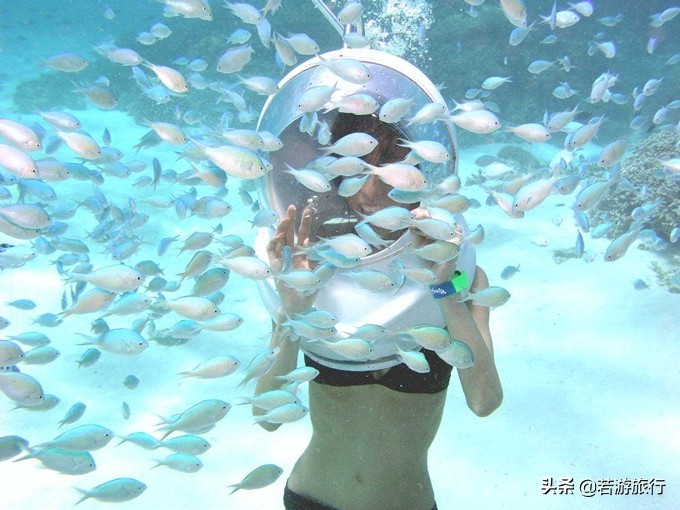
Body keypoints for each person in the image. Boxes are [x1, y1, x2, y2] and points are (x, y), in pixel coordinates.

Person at [254, 111, 503, 510]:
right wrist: (292, 313)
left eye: (388, 171)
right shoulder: (314, 270)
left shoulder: (462, 276)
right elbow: (267, 415)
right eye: (357, 169)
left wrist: (443, 289)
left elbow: (484, 401)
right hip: (310, 498)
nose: (371, 190)